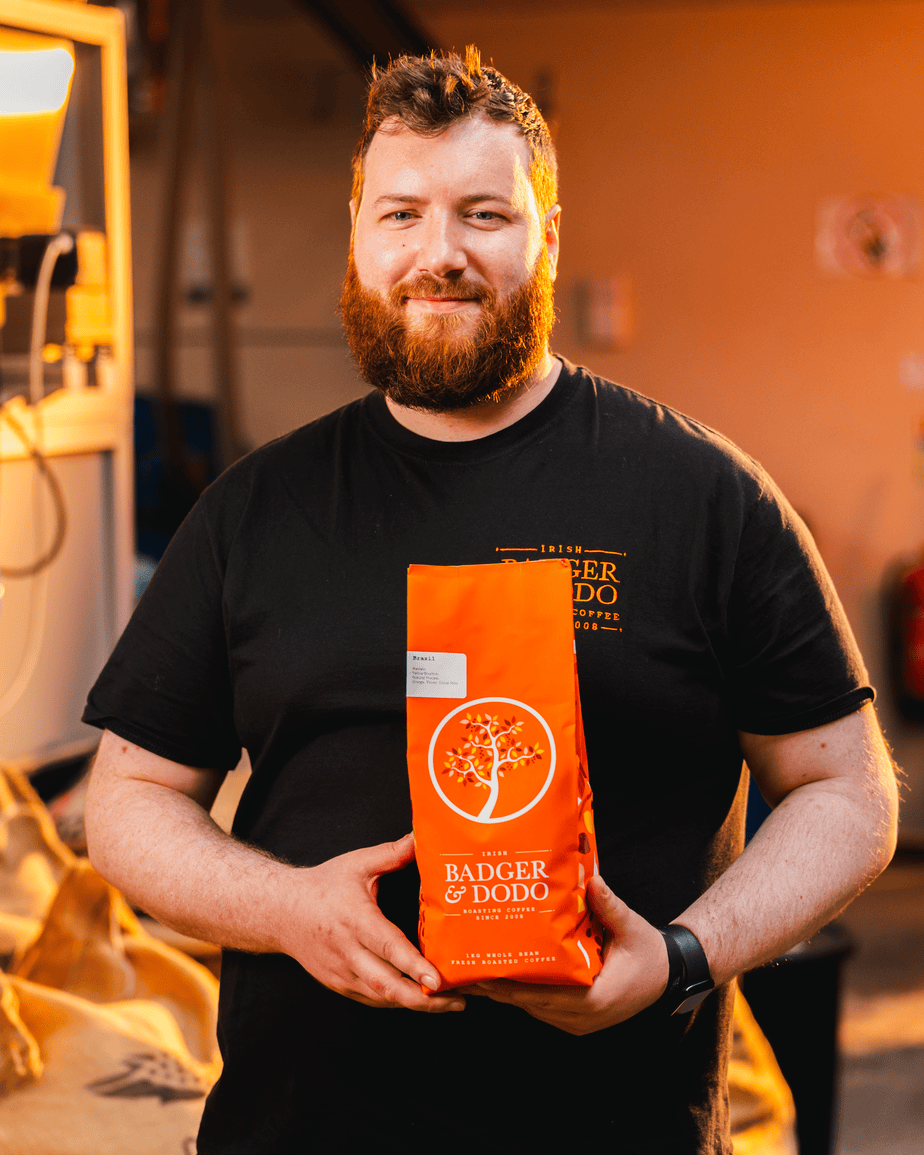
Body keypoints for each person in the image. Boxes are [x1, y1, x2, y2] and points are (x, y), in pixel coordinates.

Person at [83, 48, 898, 1155]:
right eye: (403, 213)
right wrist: (285, 909)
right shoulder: (253, 510)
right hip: (301, 1129)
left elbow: (848, 791)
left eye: (484, 214)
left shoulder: (702, 497)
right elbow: (126, 802)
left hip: (616, 1127)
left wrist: (685, 958)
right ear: (359, 233)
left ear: (548, 238)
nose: (440, 254)